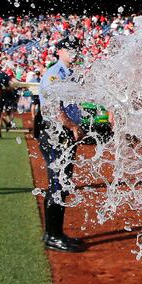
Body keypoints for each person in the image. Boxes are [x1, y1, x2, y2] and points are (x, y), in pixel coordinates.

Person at [37, 37, 86, 253]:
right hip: (56, 132)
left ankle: (56, 233)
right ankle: (52, 236)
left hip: (63, 133)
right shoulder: (55, 73)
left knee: (63, 184)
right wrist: (73, 126)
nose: (74, 52)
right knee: (57, 184)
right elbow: (53, 108)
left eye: (76, 48)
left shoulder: (70, 73)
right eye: (69, 49)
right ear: (59, 51)